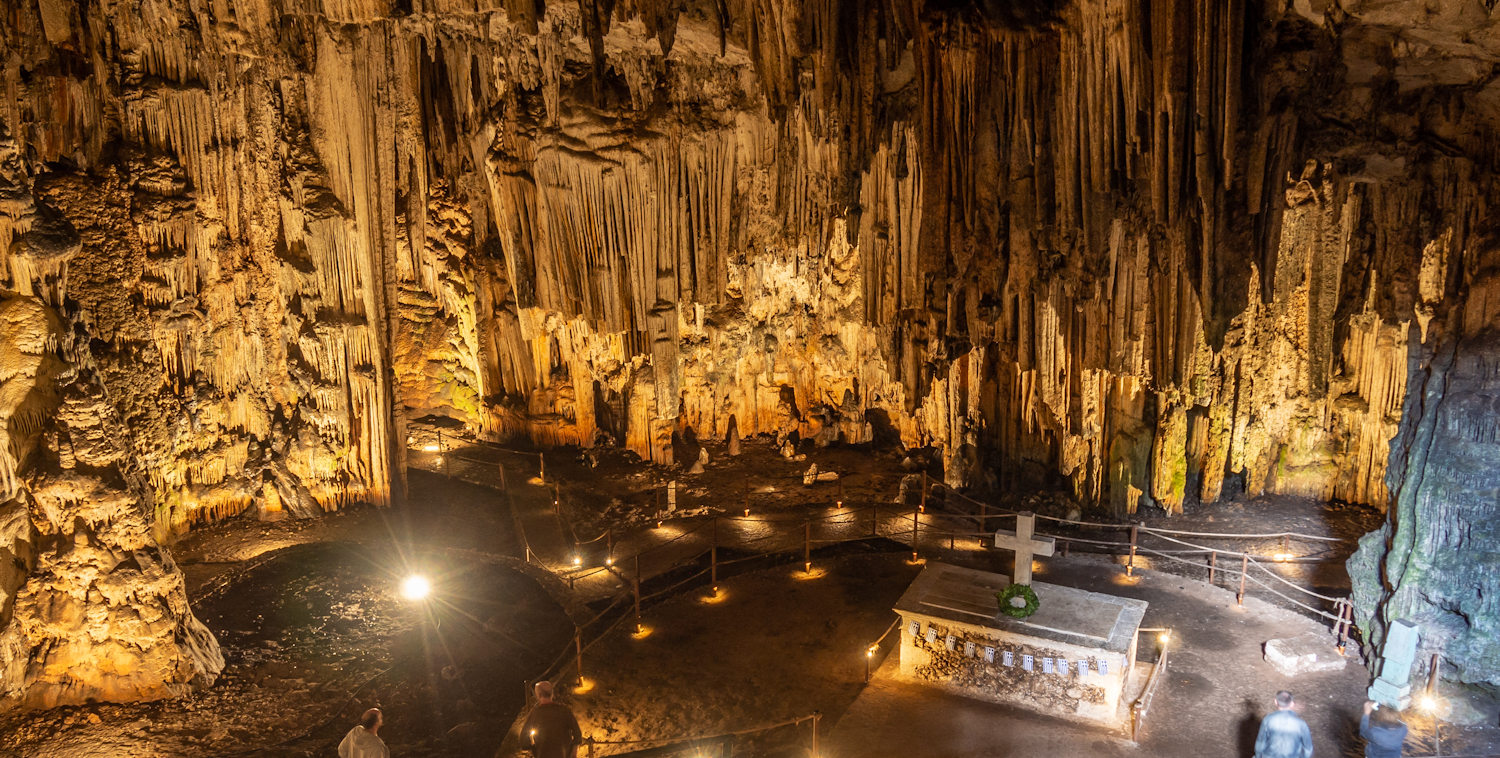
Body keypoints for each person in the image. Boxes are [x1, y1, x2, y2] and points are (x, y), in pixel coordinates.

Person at [521, 680, 583, 758]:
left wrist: (534, 752)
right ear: (552, 694)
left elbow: (523, 738)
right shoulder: (564, 710)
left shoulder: (534, 714)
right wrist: (574, 753)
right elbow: (577, 733)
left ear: (538, 695)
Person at [1255, 690, 1314, 758]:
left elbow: (1260, 742)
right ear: (1292, 704)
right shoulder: (1301, 724)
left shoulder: (1267, 720)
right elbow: (1308, 748)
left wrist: (1258, 756)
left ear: (1275, 701)